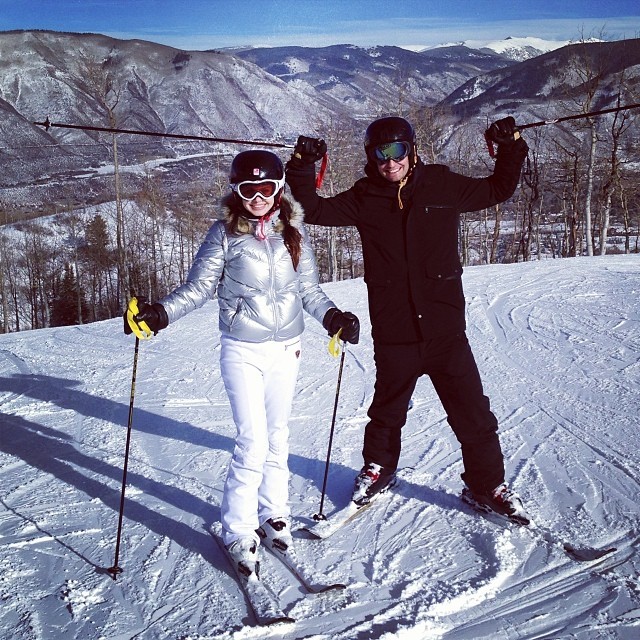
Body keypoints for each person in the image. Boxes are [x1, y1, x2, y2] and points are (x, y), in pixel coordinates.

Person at [123, 150, 360, 574]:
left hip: (287, 349)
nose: (257, 197)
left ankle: (273, 513)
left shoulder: (295, 234)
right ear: (236, 190)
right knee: (252, 441)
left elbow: (309, 292)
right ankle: (237, 528)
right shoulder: (224, 235)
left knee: (278, 436)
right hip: (242, 349)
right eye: (248, 189)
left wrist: (333, 318)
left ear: (280, 188)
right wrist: (159, 314)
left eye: (266, 188)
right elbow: (198, 289)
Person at [284, 116, 530, 521]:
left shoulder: (441, 185)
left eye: (397, 150)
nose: (389, 161)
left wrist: (509, 145)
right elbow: (312, 208)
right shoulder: (365, 196)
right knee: (387, 411)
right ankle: (379, 469)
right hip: (395, 330)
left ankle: (487, 485)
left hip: (445, 330)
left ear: (411, 151)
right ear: (371, 158)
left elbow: (499, 187)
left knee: (473, 414)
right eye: (380, 153)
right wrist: (302, 164)